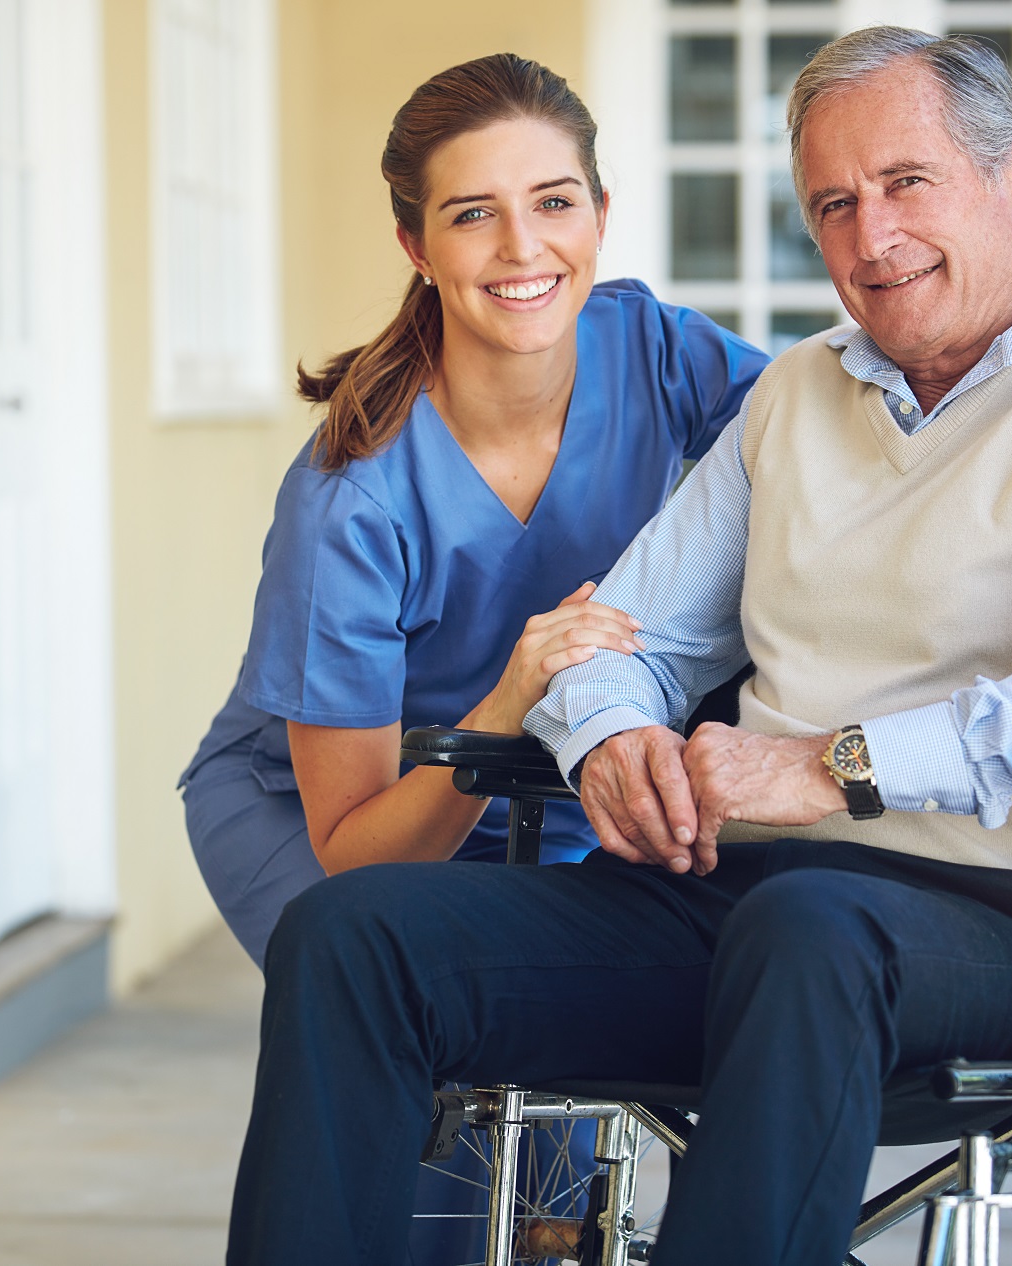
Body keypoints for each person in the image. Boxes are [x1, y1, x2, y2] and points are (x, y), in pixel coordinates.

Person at [225, 27, 1012, 1266]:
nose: (868, 237)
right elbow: (620, 631)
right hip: (733, 894)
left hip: (1007, 919)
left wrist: (836, 765)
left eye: (904, 184)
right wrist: (613, 732)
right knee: (353, 940)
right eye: (832, 204)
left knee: (813, 930)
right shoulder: (794, 396)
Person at [180, 54, 768, 968]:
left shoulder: (657, 351)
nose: (523, 246)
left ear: (602, 218)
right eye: (472, 214)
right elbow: (358, 856)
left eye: (555, 201)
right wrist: (507, 700)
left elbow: (820, 448)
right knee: (409, 1041)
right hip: (326, 816)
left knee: (572, 1082)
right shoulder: (349, 500)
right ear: (417, 247)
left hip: (548, 784)